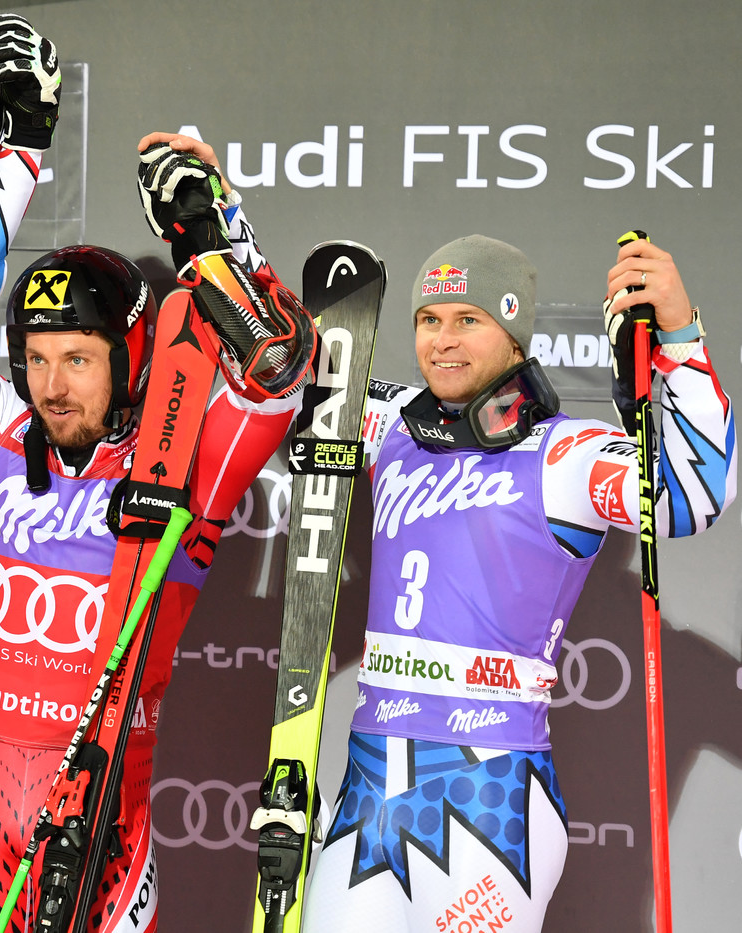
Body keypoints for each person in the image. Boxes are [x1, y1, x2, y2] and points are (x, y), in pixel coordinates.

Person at [0, 16, 317, 933]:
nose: (50, 384)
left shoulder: (188, 459)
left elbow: (278, 368)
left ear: (128, 354)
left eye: (77, 358)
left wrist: (212, 233)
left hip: (103, 827)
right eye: (35, 358)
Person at [300, 233, 736, 932]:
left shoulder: (565, 453)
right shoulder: (387, 424)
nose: (442, 340)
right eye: (427, 320)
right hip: (368, 799)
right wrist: (215, 231)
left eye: (467, 320)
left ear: (513, 337)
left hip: (488, 800)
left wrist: (680, 336)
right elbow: (274, 369)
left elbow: (689, 493)